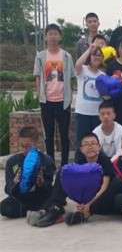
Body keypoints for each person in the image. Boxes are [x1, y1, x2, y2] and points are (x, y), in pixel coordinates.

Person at [33, 132, 121, 227]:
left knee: (116, 182)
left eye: (93, 143)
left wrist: (89, 204)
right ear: (81, 149)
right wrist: (80, 202)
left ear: (99, 147)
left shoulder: (104, 161)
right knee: (63, 172)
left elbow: (104, 187)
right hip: (86, 195)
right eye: (86, 144)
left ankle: (85, 213)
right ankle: (55, 208)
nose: (90, 146)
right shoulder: (80, 160)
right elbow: (77, 184)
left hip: (100, 199)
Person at [33, 23, 75, 166]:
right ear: (45, 37)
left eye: (55, 34)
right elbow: (38, 77)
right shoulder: (40, 56)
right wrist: (40, 95)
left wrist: (70, 96)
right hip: (47, 102)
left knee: (64, 135)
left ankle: (64, 165)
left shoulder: (67, 56)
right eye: (50, 34)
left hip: (63, 101)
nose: (52, 37)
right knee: (49, 135)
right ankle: (50, 165)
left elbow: (72, 78)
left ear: (60, 37)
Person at [1, 127, 55, 219]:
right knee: (5, 207)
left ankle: (34, 210)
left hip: (39, 197)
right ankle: (37, 210)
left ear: (36, 143)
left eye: (28, 146)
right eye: (22, 146)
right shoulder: (12, 161)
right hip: (21, 198)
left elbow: (49, 186)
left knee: (55, 200)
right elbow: (8, 189)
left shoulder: (46, 160)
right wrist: (15, 183)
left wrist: (41, 183)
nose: (25, 149)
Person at [74, 43, 104, 144]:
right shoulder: (83, 70)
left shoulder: (103, 75)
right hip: (83, 112)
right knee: (82, 142)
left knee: (96, 142)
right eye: (94, 54)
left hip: (97, 114)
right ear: (90, 56)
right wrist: (89, 50)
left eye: (99, 55)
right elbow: (77, 64)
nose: (97, 57)